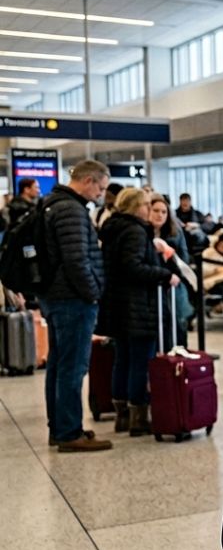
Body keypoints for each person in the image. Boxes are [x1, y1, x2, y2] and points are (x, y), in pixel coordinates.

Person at [41, 160, 111, 452]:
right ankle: (69, 433)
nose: (101, 195)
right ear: (89, 181)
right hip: (73, 299)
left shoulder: (53, 203)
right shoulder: (71, 209)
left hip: (56, 297)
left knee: (58, 364)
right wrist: (92, 291)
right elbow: (76, 260)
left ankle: (59, 427)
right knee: (72, 367)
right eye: (101, 188)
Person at [98, 188, 180, 436]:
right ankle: (138, 417)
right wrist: (165, 274)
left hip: (118, 304)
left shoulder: (114, 229)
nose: (149, 208)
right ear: (135, 207)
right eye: (145, 204)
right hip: (138, 305)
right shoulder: (134, 230)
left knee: (122, 359)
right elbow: (133, 266)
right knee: (140, 361)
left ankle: (121, 414)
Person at [149, 194, 193, 349]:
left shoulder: (176, 232)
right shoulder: (142, 232)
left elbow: (183, 259)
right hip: (151, 286)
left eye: (164, 212)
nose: (160, 215)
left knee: (179, 323)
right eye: (156, 210)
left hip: (174, 285)